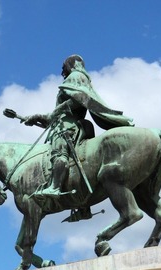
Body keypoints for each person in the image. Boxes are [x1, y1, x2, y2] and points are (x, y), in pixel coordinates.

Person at [18, 54, 133, 217]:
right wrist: (37, 117)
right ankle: (83, 205)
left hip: (69, 125)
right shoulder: (79, 78)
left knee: (59, 153)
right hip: (69, 123)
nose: (62, 70)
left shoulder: (75, 76)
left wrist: (54, 113)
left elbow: (78, 100)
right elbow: (60, 112)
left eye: (64, 66)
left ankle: (55, 187)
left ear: (70, 65)